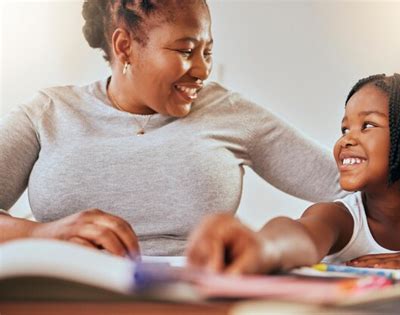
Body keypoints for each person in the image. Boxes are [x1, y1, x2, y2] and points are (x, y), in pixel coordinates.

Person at [0, 0, 346, 258]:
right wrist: (44, 233)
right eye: (186, 50)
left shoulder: (228, 112)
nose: (202, 70)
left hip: (191, 298)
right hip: (60, 298)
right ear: (124, 47)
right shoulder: (48, 112)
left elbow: (350, 189)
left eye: (207, 52)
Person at [186, 74, 400, 274]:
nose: (345, 140)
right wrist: (261, 247)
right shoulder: (341, 219)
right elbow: (299, 236)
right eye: (345, 129)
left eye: (368, 125)